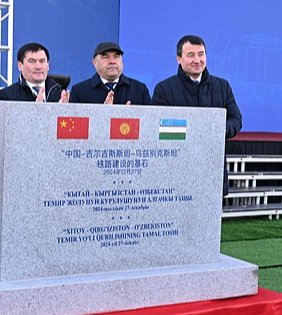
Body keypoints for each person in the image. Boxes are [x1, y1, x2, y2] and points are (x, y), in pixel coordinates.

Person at [152, 35, 242, 195]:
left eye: (201, 54)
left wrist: (220, 130)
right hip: (176, 170)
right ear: (178, 58)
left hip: (212, 168)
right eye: (190, 55)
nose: (197, 60)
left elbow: (236, 119)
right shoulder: (164, 89)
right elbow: (156, 127)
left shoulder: (222, 86)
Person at [0, 42, 70, 132]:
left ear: (48, 65)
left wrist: (64, 111)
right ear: (20, 65)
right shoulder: (6, 96)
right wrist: (34, 113)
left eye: (42, 61)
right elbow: (4, 133)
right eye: (32, 61)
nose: (38, 67)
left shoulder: (60, 93)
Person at [69, 42, 151, 105]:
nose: (112, 61)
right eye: (106, 57)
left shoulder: (139, 89)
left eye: (116, 56)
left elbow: (150, 122)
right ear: (94, 63)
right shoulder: (80, 91)